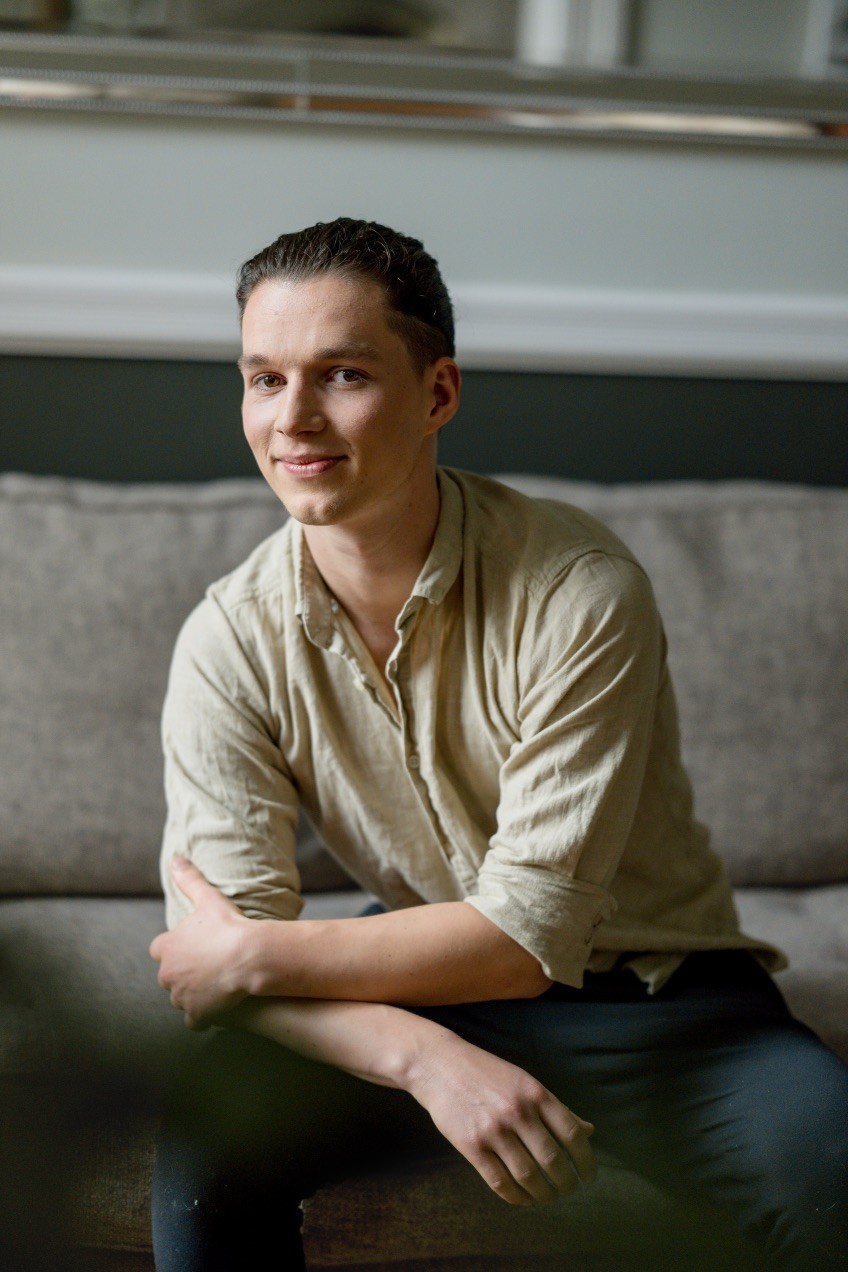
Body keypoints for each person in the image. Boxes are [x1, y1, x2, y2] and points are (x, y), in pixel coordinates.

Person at [149, 218, 848, 1271]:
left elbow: (523, 939)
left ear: (438, 394)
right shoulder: (225, 638)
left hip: (662, 1003)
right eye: (262, 379)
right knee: (205, 1146)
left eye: (340, 374)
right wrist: (418, 1054)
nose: (292, 419)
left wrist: (254, 956)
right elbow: (222, 953)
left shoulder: (578, 588)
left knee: (833, 1172)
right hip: (413, 980)